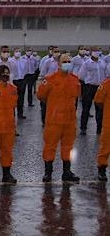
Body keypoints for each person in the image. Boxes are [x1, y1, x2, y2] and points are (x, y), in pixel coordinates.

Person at [37, 54, 81, 183]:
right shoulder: (50, 79)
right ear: (59, 64)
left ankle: (67, 172)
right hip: (54, 121)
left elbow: (77, 96)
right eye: (64, 61)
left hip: (69, 120)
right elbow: (41, 95)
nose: (67, 63)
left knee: (68, 147)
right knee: (50, 146)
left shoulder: (74, 80)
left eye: (69, 61)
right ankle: (48, 173)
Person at [79, 49, 105, 135]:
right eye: (95, 51)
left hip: (100, 87)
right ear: (91, 53)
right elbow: (81, 75)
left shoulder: (102, 62)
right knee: (86, 108)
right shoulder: (86, 63)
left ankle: (99, 128)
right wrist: (87, 82)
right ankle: (83, 127)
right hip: (89, 86)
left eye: (98, 51)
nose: (97, 53)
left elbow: (105, 74)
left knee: (100, 108)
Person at [94, 76, 110, 181]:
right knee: (105, 146)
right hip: (109, 121)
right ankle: (102, 169)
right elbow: (98, 100)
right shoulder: (106, 84)